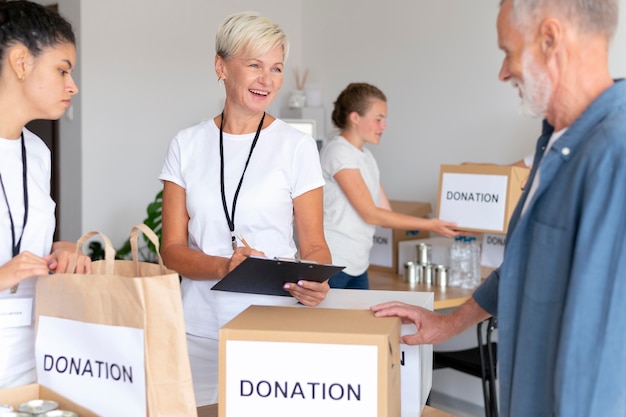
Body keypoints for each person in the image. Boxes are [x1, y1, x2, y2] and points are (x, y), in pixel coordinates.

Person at [372, 0, 625, 415]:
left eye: (508, 51)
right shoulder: (554, 142)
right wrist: (447, 323)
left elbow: (600, 349)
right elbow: (525, 263)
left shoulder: (615, 153)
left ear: (550, 38)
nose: (503, 72)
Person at [159, 11, 332, 406]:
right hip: (197, 330)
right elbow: (171, 252)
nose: (266, 80)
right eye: (254, 65)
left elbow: (315, 246)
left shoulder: (296, 146)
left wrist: (317, 280)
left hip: (272, 326)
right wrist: (224, 266)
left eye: (275, 68)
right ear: (221, 66)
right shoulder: (186, 144)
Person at [0, 0, 91, 388]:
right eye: (62, 70)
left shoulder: (37, 153)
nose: (72, 85)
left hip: (33, 362)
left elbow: (22, 239)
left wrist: (61, 250)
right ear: (21, 62)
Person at [320, 82, 462, 289]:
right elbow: (371, 214)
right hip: (334, 262)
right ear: (355, 117)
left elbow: (385, 215)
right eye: (378, 119)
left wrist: (434, 223)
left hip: (357, 263)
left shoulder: (366, 157)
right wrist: (431, 225)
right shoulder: (338, 152)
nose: (383, 126)